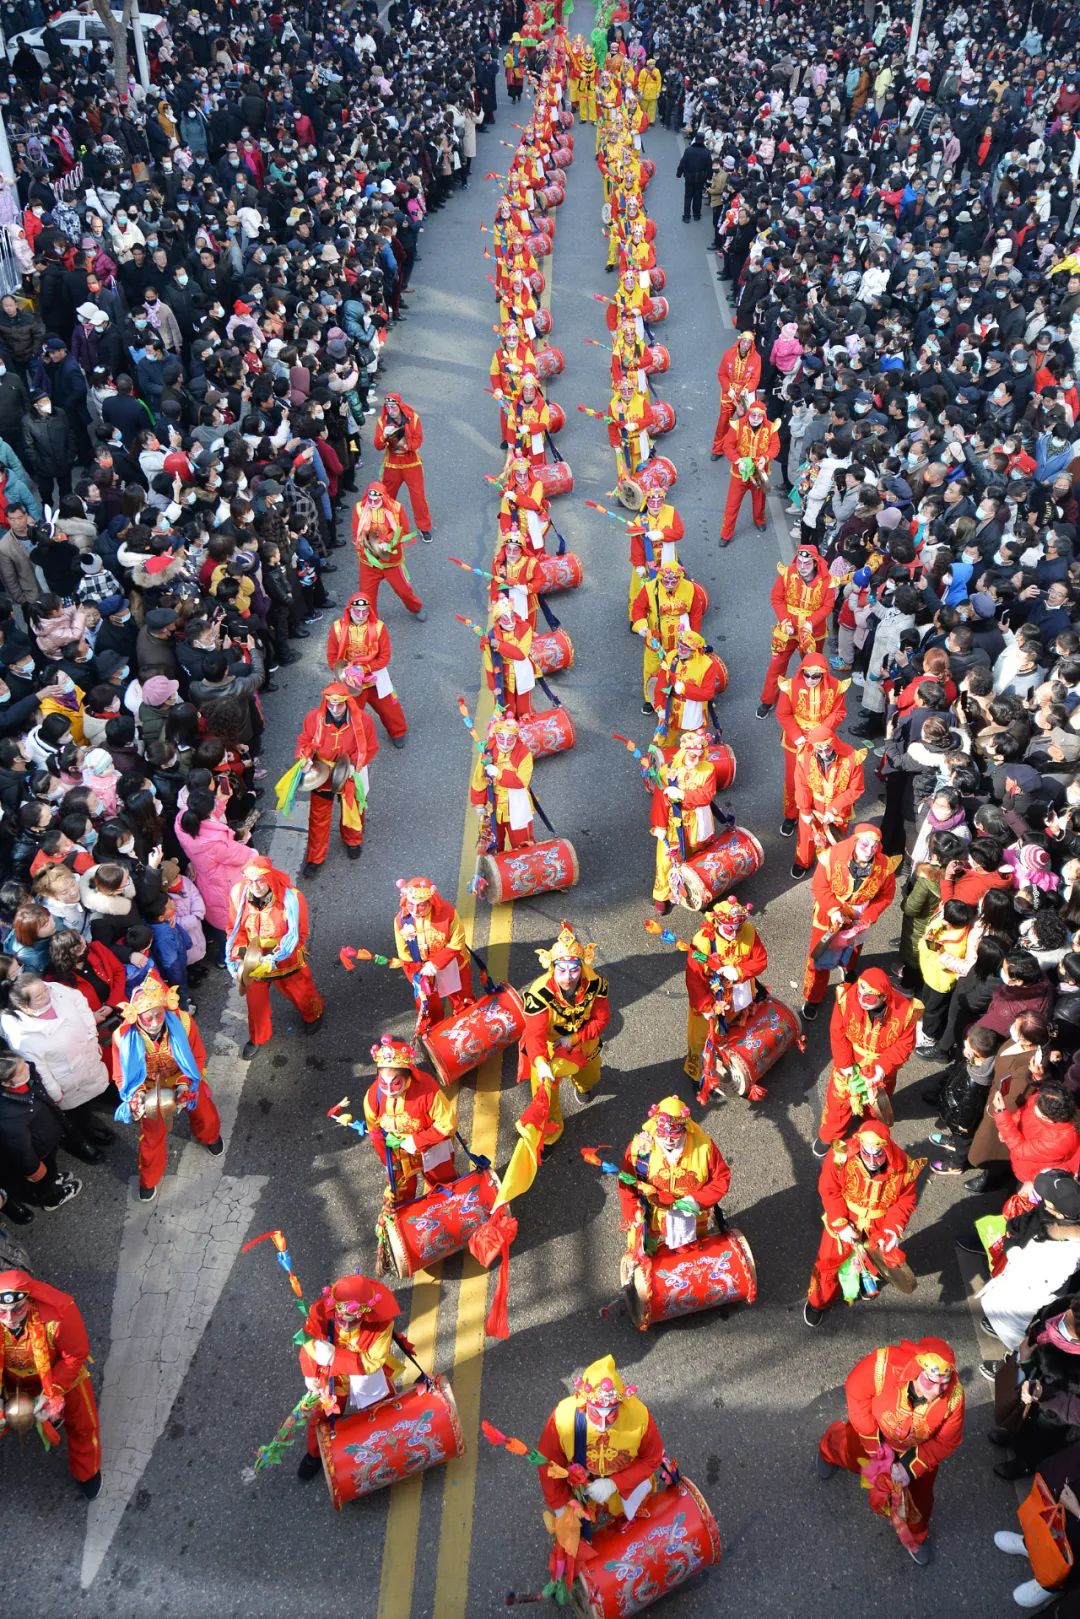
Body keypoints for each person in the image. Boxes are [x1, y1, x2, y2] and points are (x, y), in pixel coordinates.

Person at [817, 1336, 964, 1565]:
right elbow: (855, 1392)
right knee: (846, 1451)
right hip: (875, 1435)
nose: (936, 1391)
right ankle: (828, 1452)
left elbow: (947, 1441)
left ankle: (915, 1536)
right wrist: (875, 1449)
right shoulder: (883, 1365)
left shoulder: (954, 1397)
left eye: (943, 1383)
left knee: (920, 1501)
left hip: (916, 1453)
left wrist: (908, 1469)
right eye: (930, 1382)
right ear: (917, 1369)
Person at [535, 1354, 666, 1554]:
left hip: (625, 1485)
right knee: (573, 1535)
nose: (603, 1424)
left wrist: (615, 1483)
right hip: (581, 1487)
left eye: (611, 1415)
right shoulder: (562, 1419)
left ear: (620, 1405)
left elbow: (652, 1458)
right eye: (596, 1414)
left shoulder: (640, 1417)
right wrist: (560, 1505)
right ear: (584, 1404)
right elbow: (548, 1465)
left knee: (634, 1531)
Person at [111, 976, 223, 1205]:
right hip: (150, 1088)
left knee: (204, 1110)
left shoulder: (184, 1022)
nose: (154, 1022)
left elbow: (197, 1056)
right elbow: (122, 1075)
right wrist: (138, 1097)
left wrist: (185, 1084)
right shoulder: (122, 1037)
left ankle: (209, 1136)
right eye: (147, 1017)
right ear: (135, 1017)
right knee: (152, 1135)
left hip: (183, 1077)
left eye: (158, 1014)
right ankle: (149, 1179)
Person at [804, 1122, 925, 1324]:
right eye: (866, 1154)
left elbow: (905, 1201)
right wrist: (840, 1223)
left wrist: (893, 1229)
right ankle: (819, 1301)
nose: (871, 1161)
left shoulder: (905, 1167)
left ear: (886, 1148)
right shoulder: (840, 1156)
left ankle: (866, 1283)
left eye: (877, 1155)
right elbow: (829, 1190)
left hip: (879, 1226)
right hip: (845, 1220)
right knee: (828, 1262)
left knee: (874, 1263)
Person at [0, 1266, 101, 1498]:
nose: (10, 1319)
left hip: (59, 1375)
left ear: (28, 1300)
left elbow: (76, 1355)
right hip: (10, 1379)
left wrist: (51, 1391)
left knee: (83, 1422)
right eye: (2, 1312)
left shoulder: (59, 1315)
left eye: (17, 1310)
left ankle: (87, 1471)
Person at [295, 1272, 403, 1483]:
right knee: (320, 1418)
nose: (344, 1323)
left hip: (365, 1375)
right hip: (330, 1379)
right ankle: (314, 1454)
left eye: (351, 1321)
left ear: (365, 1314)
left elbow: (373, 1361)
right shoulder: (319, 1311)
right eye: (340, 1318)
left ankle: (393, 1440)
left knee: (384, 1408)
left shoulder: (382, 1324)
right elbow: (307, 1343)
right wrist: (312, 1374)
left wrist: (337, 1356)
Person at [362, 1035, 457, 1271]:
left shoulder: (428, 1092)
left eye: (395, 1084)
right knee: (398, 1196)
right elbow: (374, 1131)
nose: (389, 1091)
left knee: (444, 1185)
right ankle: (408, 1242)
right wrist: (387, 1161)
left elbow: (447, 1125)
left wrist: (418, 1141)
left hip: (432, 1151)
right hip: (398, 1156)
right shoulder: (373, 1097)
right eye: (383, 1084)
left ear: (408, 1076)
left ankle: (452, 1229)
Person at [518, 923, 611, 1147]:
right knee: (545, 1099)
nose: (568, 977)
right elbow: (534, 1034)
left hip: (584, 1043)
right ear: (552, 968)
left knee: (589, 1077)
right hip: (547, 1052)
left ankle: (583, 1087)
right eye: (561, 970)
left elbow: (601, 1019)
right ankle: (549, 1137)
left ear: (581, 967)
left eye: (574, 970)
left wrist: (574, 1038)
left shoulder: (596, 984)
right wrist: (539, 1062)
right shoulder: (539, 993)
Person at [225, 857, 323, 1060]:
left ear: (269, 877)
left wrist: (275, 957)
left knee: (301, 991)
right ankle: (257, 1037)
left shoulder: (293, 899)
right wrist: (244, 956)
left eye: (260, 880)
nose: (255, 886)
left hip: (286, 959)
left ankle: (313, 1015)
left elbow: (300, 934)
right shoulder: (238, 894)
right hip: (253, 960)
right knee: (255, 1003)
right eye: (250, 881)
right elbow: (234, 931)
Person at [814, 971, 921, 1156]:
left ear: (884, 996)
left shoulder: (905, 1012)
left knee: (875, 1105)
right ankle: (830, 1134)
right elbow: (837, 1033)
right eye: (860, 992)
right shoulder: (847, 999)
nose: (862, 999)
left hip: (880, 1071)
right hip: (850, 1062)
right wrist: (845, 1065)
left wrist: (881, 1069)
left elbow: (904, 1045)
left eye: (869, 996)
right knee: (838, 1101)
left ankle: (869, 1131)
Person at [618, 1095, 731, 1263]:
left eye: (675, 1134)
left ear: (685, 1128)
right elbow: (626, 1184)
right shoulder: (639, 1148)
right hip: (652, 1214)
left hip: (691, 1215)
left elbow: (721, 1179)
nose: (669, 1140)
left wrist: (696, 1202)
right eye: (663, 1134)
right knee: (643, 1255)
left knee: (690, 1255)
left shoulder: (705, 1147)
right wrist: (633, 1213)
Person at [802, 826, 899, 1018]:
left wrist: (867, 918)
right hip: (829, 915)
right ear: (855, 840)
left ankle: (848, 968)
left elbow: (886, 896)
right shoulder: (831, 856)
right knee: (819, 956)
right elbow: (820, 887)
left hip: (860, 915)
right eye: (865, 843)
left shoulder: (885, 867)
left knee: (854, 947)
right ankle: (813, 997)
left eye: (875, 845)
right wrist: (834, 910)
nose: (870, 848)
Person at [295, 684, 378, 877]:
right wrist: (304, 758)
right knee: (318, 816)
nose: (334, 709)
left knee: (354, 809)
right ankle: (315, 857)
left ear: (347, 701)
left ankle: (353, 840)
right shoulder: (313, 718)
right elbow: (305, 741)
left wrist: (354, 765)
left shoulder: (364, 721)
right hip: (321, 774)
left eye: (339, 705)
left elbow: (371, 746)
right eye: (331, 704)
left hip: (349, 772)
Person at [649, 727, 730, 914]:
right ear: (684, 751)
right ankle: (661, 894)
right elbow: (660, 800)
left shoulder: (708, 769)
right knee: (666, 859)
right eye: (693, 754)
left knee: (696, 855)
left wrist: (683, 794)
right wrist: (659, 825)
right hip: (673, 823)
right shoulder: (667, 771)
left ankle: (694, 888)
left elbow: (706, 795)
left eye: (699, 755)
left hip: (697, 822)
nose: (697, 758)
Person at [775, 654, 849, 838]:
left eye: (815, 676)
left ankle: (817, 813)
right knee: (794, 781)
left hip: (823, 743)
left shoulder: (836, 687)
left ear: (824, 674)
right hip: (796, 743)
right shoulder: (790, 686)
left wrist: (821, 732)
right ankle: (791, 815)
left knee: (821, 780)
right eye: (806, 675)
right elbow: (783, 714)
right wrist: (797, 736)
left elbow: (839, 712)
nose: (810, 680)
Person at [757, 548, 837, 716]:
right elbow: (776, 598)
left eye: (806, 563)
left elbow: (827, 607)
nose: (802, 566)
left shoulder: (827, 581)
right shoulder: (787, 574)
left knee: (813, 670)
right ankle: (768, 700)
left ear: (815, 562)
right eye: (799, 562)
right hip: (787, 631)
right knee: (776, 665)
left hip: (812, 634)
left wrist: (810, 624)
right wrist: (785, 619)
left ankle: (812, 704)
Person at [325, 592, 408, 747]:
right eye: (357, 611)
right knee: (349, 712)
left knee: (390, 708)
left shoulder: (379, 627)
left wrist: (365, 669)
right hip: (349, 680)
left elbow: (384, 657)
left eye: (365, 611)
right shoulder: (337, 628)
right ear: (349, 610)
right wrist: (344, 673)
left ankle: (398, 732)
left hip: (375, 677)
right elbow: (332, 656)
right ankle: (349, 741)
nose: (361, 615)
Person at [393, 876, 474, 1029]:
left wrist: (436, 964)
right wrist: (416, 977)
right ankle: (433, 1032)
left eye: (421, 905)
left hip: (452, 965)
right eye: (411, 904)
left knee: (462, 999)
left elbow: (457, 942)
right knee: (428, 1005)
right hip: (422, 969)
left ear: (431, 901)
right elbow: (404, 954)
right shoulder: (400, 921)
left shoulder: (449, 914)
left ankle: (468, 1025)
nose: (415, 911)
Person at [791, 728, 866, 881]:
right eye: (820, 749)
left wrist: (833, 809)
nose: (825, 753)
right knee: (806, 836)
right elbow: (801, 784)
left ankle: (833, 866)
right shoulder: (804, 756)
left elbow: (856, 789)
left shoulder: (852, 757)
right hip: (812, 805)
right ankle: (803, 862)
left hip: (838, 809)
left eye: (828, 748)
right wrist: (805, 810)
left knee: (834, 840)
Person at [351, 482, 425, 620]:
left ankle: (416, 607)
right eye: (370, 499)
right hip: (369, 562)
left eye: (376, 500)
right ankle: (372, 622)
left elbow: (405, 532)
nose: (372, 503)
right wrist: (369, 544)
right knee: (367, 597)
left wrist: (389, 542)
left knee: (404, 591)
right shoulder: (359, 509)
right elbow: (357, 534)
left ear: (383, 497)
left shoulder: (396, 509)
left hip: (391, 561)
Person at [373, 393, 433, 542]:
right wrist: (384, 438)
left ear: (399, 405)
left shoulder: (413, 418)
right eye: (388, 406)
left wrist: (407, 446)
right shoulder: (382, 422)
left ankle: (424, 527)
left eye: (393, 406)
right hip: (392, 465)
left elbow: (418, 439)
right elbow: (377, 445)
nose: (391, 409)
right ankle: (385, 525)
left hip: (411, 463)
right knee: (387, 497)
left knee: (418, 497)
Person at [719, 399, 779, 547]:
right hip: (739, 474)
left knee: (759, 502)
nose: (755, 419)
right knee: (732, 505)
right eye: (753, 415)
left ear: (763, 416)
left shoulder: (771, 428)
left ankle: (759, 520)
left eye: (759, 416)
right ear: (749, 414)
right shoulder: (737, 426)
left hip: (758, 473)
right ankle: (726, 534)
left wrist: (765, 458)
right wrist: (738, 462)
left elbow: (775, 447)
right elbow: (728, 446)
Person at [710, 331, 762, 459]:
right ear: (740, 341)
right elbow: (722, 374)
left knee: (746, 423)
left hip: (744, 396)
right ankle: (717, 449)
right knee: (723, 423)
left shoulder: (756, 359)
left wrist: (747, 389)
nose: (745, 345)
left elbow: (755, 379)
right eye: (744, 341)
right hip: (730, 394)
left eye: (748, 343)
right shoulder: (728, 354)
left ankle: (742, 448)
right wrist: (728, 389)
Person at [675, 131, 711, 223]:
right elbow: (709, 166)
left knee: (688, 197)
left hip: (689, 177)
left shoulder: (689, 150)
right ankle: (696, 215)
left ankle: (686, 216)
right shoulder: (706, 152)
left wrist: (679, 173)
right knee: (697, 196)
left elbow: (683, 163)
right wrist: (709, 177)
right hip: (700, 178)